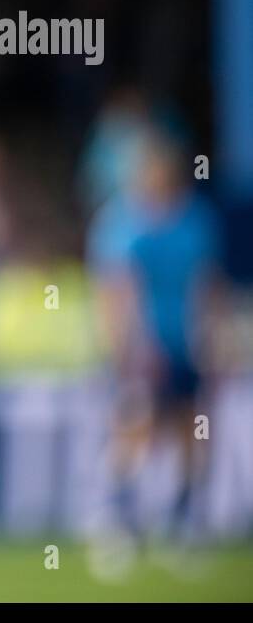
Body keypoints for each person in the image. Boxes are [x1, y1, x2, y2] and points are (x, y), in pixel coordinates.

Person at [87, 125, 224, 574]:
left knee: (191, 434)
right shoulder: (122, 222)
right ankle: (116, 522)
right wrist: (126, 347)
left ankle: (182, 524)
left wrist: (212, 341)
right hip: (141, 350)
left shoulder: (196, 221)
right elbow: (116, 291)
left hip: (185, 346)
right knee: (134, 430)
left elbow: (207, 286)